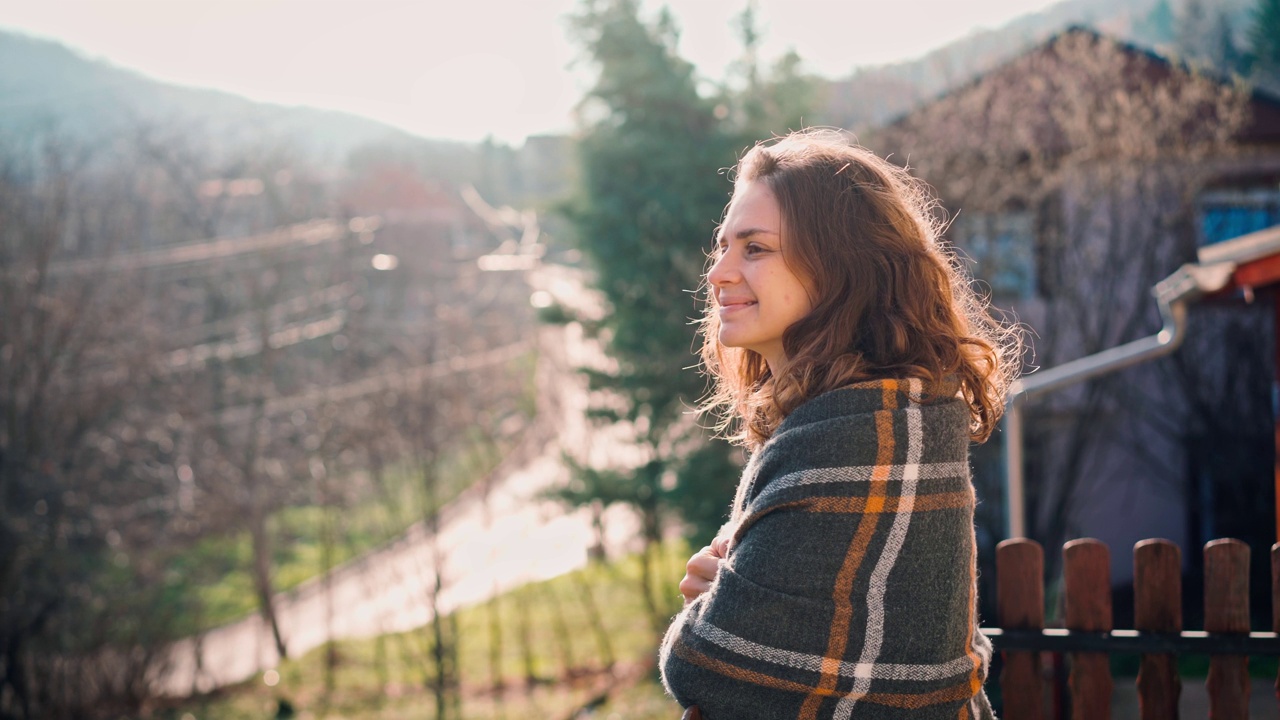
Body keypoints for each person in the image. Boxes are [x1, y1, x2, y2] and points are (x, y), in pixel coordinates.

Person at [659, 130, 1019, 719]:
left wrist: (714, 604)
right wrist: (731, 586)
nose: (719, 272)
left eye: (755, 249)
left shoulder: (858, 434)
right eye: (721, 247)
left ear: (837, 267)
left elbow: (705, 664)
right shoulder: (869, 415)